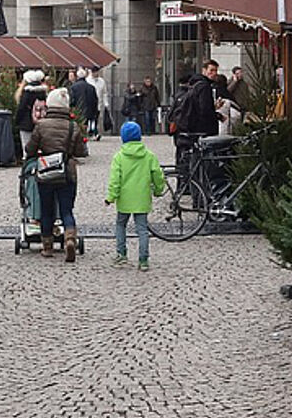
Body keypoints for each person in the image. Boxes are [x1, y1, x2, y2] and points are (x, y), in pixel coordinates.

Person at [25, 88, 88, 262]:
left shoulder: (41, 125)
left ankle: (47, 247)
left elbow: (29, 149)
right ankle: (69, 238)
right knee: (66, 209)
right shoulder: (72, 126)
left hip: (46, 172)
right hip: (67, 172)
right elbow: (81, 152)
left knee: (46, 210)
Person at [105, 121, 165, 272]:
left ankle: (121, 254)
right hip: (142, 199)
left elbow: (115, 180)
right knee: (142, 229)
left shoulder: (119, 157)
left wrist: (111, 197)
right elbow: (158, 175)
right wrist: (158, 190)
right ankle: (143, 260)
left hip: (124, 200)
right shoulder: (149, 156)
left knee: (120, 225)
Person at [174, 60, 220, 165]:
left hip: (192, 128)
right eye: (211, 70)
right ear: (204, 70)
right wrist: (215, 116)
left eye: (216, 71)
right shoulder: (204, 86)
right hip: (202, 129)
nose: (214, 73)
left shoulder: (195, 85)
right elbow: (204, 109)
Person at [14, 69, 48, 148]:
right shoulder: (44, 92)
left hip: (26, 124)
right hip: (41, 123)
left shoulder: (27, 93)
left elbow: (21, 109)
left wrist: (17, 121)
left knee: (27, 146)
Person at [69, 68, 99, 137]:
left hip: (78, 110)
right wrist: (95, 112)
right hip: (89, 110)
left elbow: (72, 100)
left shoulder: (74, 87)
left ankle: (80, 135)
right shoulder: (91, 87)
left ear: (77, 76)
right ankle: (85, 134)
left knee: (78, 125)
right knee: (86, 124)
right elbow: (95, 100)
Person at [87, 65, 109, 139]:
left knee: (96, 118)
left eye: (97, 72)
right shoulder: (88, 80)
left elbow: (104, 92)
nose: (96, 74)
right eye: (95, 72)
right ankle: (92, 132)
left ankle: (95, 132)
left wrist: (106, 103)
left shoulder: (102, 81)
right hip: (90, 103)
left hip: (99, 103)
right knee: (90, 119)